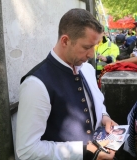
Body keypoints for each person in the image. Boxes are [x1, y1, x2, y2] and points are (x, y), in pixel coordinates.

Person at [16, 8, 117, 160]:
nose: (91, 55)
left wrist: (104, 116)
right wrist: (86, 151)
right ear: (65, 41)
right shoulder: (35, 84)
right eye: (86, 47)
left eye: (94, 47)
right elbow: (27, 150)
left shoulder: (87, 69)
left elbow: (97, 102)